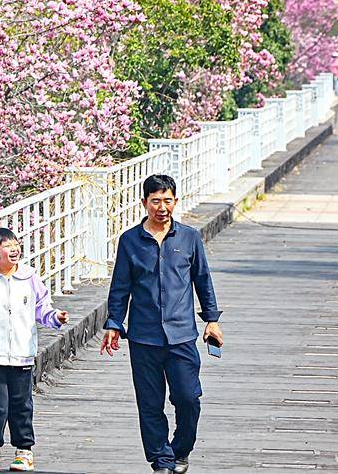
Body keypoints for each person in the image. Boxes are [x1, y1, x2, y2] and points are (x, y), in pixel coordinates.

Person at [101, 174, 223, 474]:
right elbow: (120, 287)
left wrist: (212, 320)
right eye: (155, 201)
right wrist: (114, 323)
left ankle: (179, 450)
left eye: (167, 200)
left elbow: (202, 280)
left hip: (182, 334)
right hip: (144, 337)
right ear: (144, 203)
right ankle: (162, 461)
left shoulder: (189, 238)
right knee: (150, 404)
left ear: (175, 202)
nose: (162, 207)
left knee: (188, 398)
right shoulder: (130, 241)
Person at [0, 227, 69, 472]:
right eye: (7, 246)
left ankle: (24, 450)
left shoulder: (29, 277)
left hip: (22, 353)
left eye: (15, 244)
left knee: (21, 405)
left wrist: (55, 317)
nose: (14, 249)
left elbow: (42, 308)